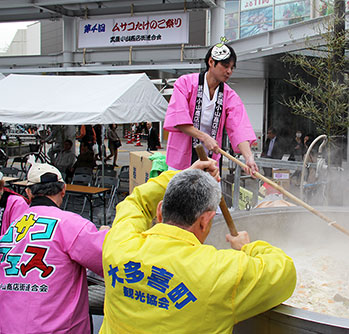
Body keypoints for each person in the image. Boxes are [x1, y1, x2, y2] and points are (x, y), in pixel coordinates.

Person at [100, 162, 296, 333]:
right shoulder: (218, 271)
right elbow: (284, 272)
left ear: (160, 212)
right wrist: (249, 247)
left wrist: (181, 175)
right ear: (205, 220)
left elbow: (136, 202)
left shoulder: (119, 243)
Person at [0, 163, 109, 333]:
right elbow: (106, 260)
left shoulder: (12, 229)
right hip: (58, 329)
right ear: (63, 190)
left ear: (28, 193)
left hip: (8, 326)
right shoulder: (72, 224)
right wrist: (105, 235)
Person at [163, 41, 258, 174]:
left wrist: (249, 158)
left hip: (210, 163)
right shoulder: (185, 83)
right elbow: (178, 121)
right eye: (225, 66)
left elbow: (239, 128)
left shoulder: (230, 95)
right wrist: (204, 137)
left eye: (232, 67)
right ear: (211, 62)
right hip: (182, 160)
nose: (229, 71)